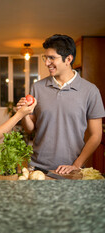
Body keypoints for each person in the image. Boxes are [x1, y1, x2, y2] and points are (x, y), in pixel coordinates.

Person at [16, 34, 105, 174]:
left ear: (68, 59)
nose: (46, 63)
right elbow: (29, 128)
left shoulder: (90, 91)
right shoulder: (37, 88)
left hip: (70, 170)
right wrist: (24, 114)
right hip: (38, 168)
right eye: (45, 58)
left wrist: (76, 164)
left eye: (52, 58)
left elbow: (96, 135)